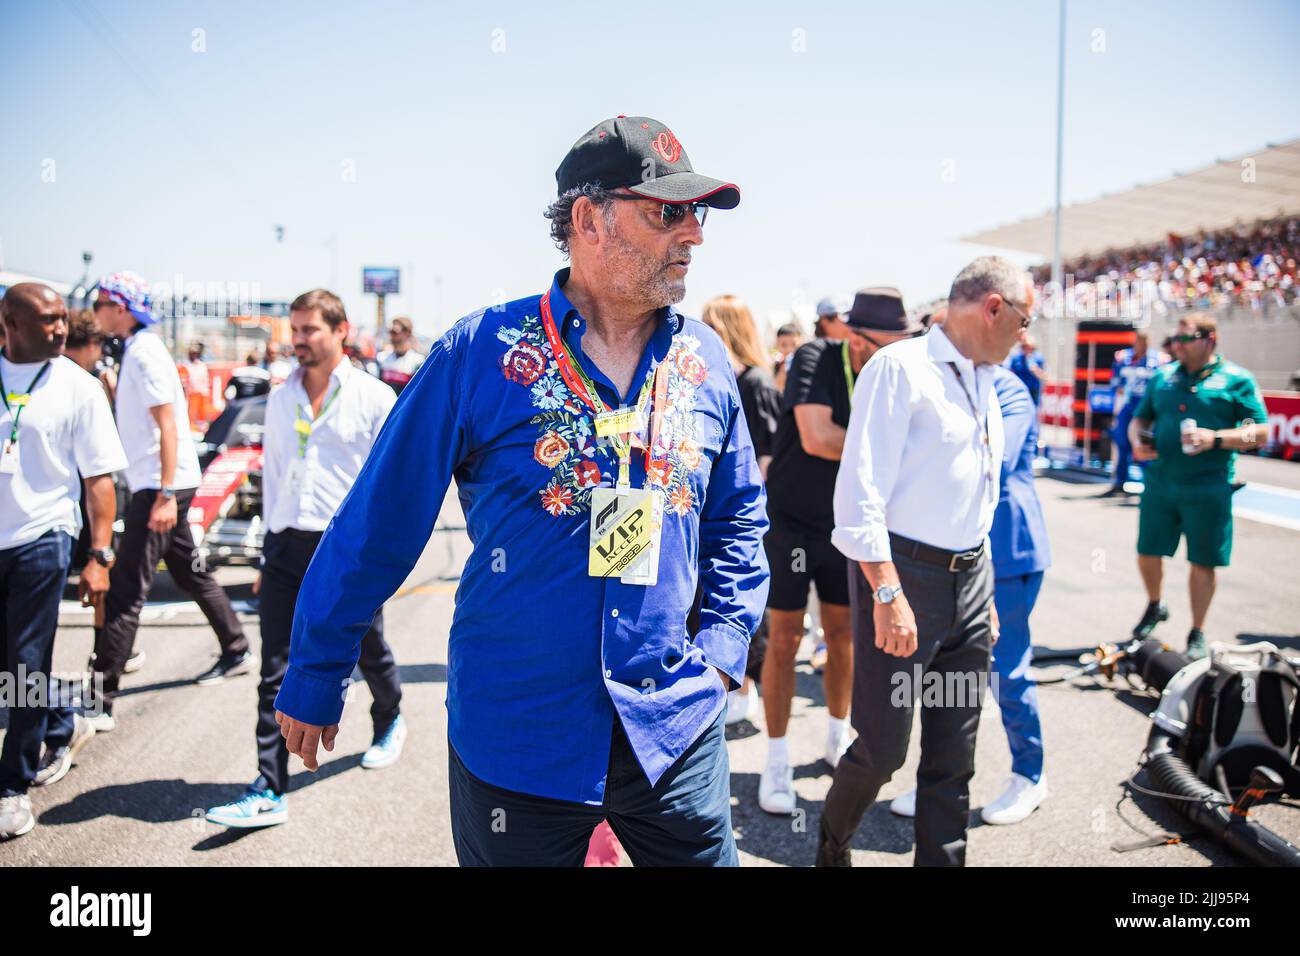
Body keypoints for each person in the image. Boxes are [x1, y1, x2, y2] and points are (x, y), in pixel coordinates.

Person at [272, 115, 766, 867]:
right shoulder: (480, 353)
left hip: (672, 730)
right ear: (587, 218)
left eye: (697, 213)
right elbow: (379, 519)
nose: (692, 234)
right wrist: (315, 667)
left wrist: (724, 649)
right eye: (669, 211)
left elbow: (738, 519)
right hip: (519, 736)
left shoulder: (705, 359)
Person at [817, 256, 1033, 867]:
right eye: (1023, 319)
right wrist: (887, 593)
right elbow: (858, 494)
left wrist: (983, 592)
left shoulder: (988, 379)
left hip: (970, 584)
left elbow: (978, 494)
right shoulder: (899, 369)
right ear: (992, 307)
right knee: (883, 752)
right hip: (904, 580)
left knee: (952, 758)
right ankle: (831, 848)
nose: (1026, 334)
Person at [206, 289, 404, 828]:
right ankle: (270, 785)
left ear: (341, 331)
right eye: (294, 330)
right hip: (287, 544)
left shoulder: (373, 397)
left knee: (368, 648)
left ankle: (389, 718)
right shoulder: (278, 397)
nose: (298, 340)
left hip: (345, 550)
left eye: (309, 329)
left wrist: (376, 560)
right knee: (276, 666)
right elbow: (273, 476)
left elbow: (385, 487)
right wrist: (267, 550)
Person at [758, 287, 921, 815]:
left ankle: (834, 737)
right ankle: (777, 757)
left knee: (843, 637)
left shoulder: (894, 369)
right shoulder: (814, 355)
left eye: (901, 343)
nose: (891, 353)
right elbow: (815, 436)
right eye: (882, 344)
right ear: (852, 337)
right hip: (792, 522)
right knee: (784, 639)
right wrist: (886, 449)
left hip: (846, 526)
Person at [889, 350, 1052, 825]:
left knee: (1007, 669)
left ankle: (1030, 773)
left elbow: (988, 463)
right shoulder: (939, 383)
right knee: (945, 674)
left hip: (1007, 550)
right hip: (950, 554)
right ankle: (939, 780)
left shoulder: (1008, 389)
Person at [89, 272, 252, 731]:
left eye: (101, 304)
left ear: (120, 308)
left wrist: (164, 494)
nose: (96, 312)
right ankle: (237, 646)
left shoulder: (144, 354)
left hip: (161, 488)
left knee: (126, 589)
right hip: (162, 484)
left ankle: (100, 698)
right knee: (189, 572)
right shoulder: (137, 352)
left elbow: (167, 426)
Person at [0, 283, 127, 840]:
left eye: (61, 319)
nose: (61, 329)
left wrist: (98, 556)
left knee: (25, 662)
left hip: (43, 537)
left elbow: (98, 479)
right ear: (9, 323)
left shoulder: (79, 387)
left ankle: (11, 785)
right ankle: (58, 720)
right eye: (48, 320)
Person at [1129, 312, 1269, 659]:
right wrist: (1136, 440)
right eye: (1174, 339)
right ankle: (1155, 604)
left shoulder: (1237, 380)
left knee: (1202, 561)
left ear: (1209, 340)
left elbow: (1261, 432)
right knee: (1148, 551)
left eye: (1184, 339)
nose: (1176, 345)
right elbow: (1139, 418)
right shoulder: (1163, 376)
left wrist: (1216, 438)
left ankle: (1197, 630)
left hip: (1208, 486)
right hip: (1161, 481)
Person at [700, 294, 781, 725]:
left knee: (743, 595)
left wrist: (738, 495)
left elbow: (766, 453)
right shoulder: (720, 377)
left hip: (745, 508)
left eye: (711, 322)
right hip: (713, 506)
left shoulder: (757, 383)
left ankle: (746, 685)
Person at [1102, 330, 1164, 496]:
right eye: (1138, 341)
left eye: (1144, 341)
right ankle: (1119, 482)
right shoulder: (1123, 358)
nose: (1140, 344)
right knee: (1122, 442)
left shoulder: (1158, 360)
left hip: (1147, 409)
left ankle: (1151, 485)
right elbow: (1114, 379)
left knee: (1145, 444)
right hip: (1127, 407)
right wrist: (1118, 388)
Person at [377, 317, 425, 395]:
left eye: (395, 332)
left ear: (408, 333)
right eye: (390, 332)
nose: (391, 336)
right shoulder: (382, 358)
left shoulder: (418, 361)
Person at [1006, 332, 1045, 406]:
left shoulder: (1038, 358)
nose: (1028, 350)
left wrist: (1035, 370)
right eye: (1026, 347)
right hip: (1018, 390)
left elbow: (1043, 376)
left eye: (1031, 348)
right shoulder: (1016, 358)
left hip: (1033, 391)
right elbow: (1010, 372)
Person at [772, 321, 803, 393]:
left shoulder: (805, 366)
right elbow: (777, 390)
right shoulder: (777, 366)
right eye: (783, 345)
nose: (789, 349)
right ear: (777, 345)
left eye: (794, 345)